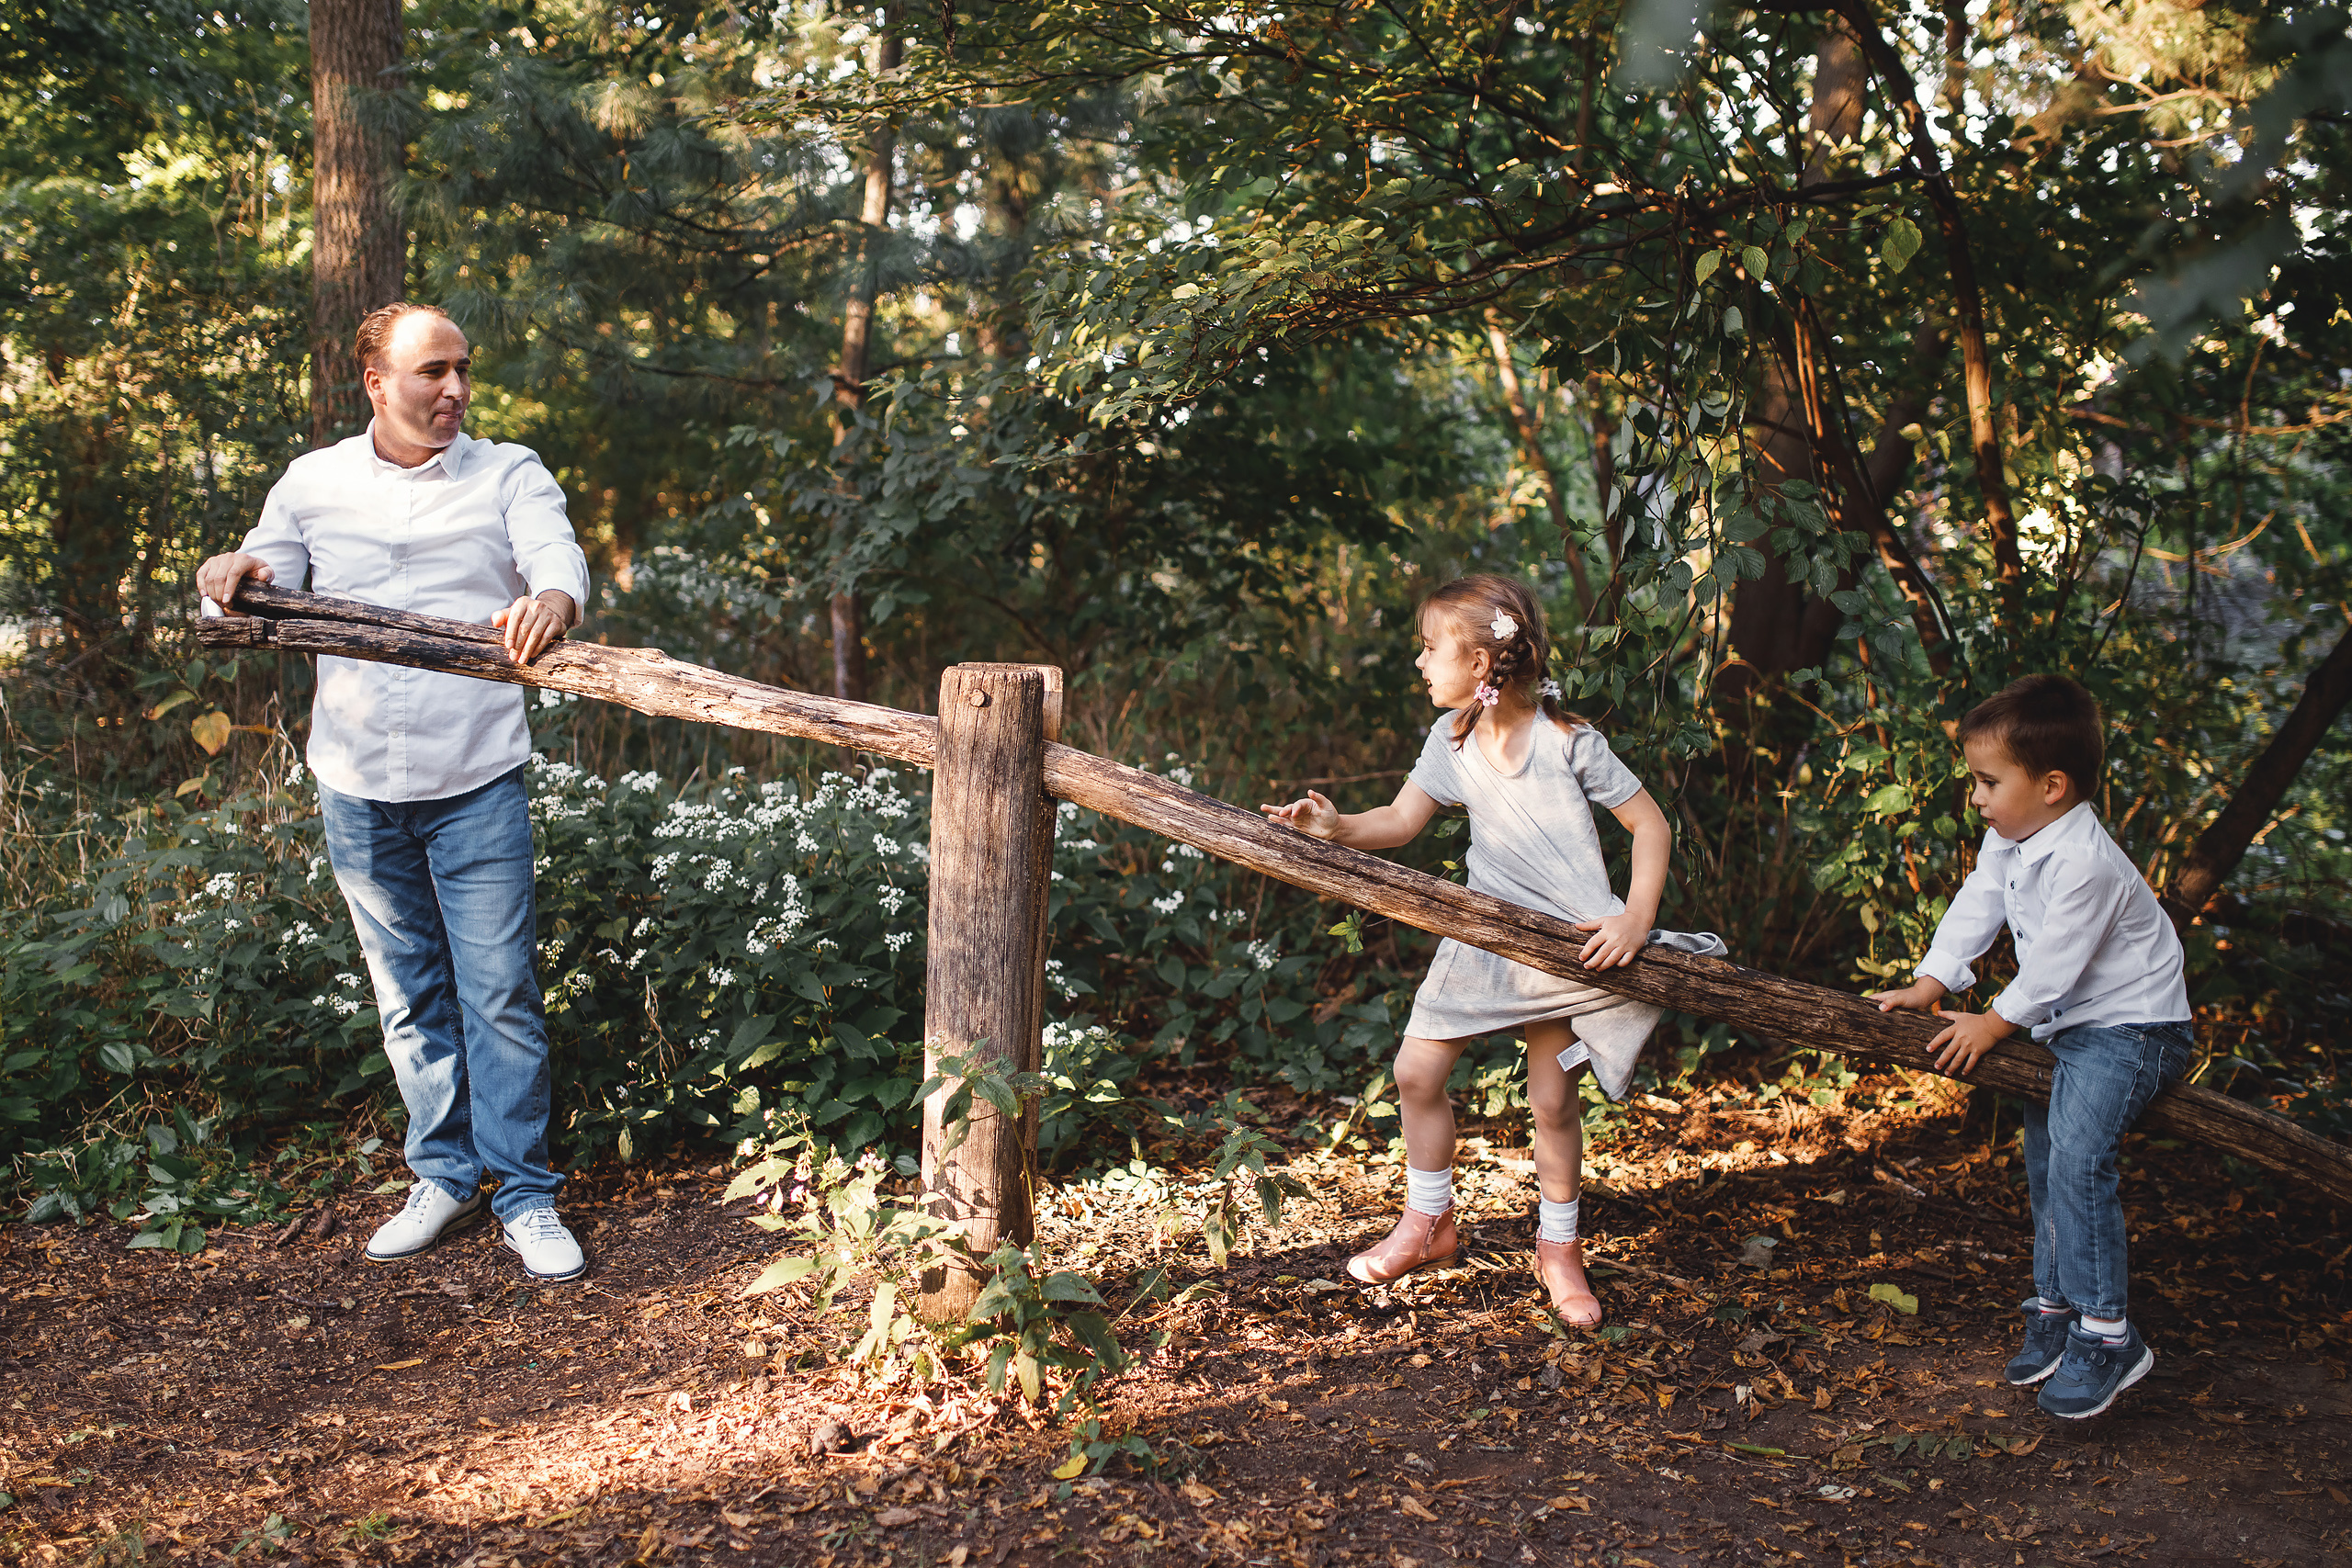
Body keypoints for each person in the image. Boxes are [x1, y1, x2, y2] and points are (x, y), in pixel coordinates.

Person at [194, 301, 593, 1282]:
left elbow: (556, 556)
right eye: (432, 372)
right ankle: (445, 1178)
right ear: (377, 383)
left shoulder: (510, 472)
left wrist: (551, 598)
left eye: (463, 370)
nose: (454, 389)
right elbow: (261, 572)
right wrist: (227, 571)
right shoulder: (315, 481)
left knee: (498, 993)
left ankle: (525, 1195)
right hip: (357, 780)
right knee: (408, 995)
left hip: (476, 775)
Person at [1261, 573, 1718, 1326]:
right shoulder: (1452, 740)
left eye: (1429, 647)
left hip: (1569, 947)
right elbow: (1400, 821)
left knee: (1550, 1098)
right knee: (1416, 1069)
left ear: (1479, 662)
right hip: (1484, 940)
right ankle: (1429, 1221)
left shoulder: (1569, 740)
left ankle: (1559, 1248)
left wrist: (1636, 919)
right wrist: (1335, 827)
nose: (1419, 662)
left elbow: (1652, 826)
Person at [1871, 674, 2191, 1419]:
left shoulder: (2086, 860)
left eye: (1988, 781)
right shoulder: (2010, 837)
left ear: (2052, 785)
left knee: (2081, 1155)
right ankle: (2055, 1305)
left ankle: (2108, 1332)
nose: (1976, 796)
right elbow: (1977, 903)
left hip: (2133, 1027)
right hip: (2066, 1027)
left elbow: (2056, 965)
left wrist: (1994, 1020)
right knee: (2047, 1154)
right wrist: (1933, 979)